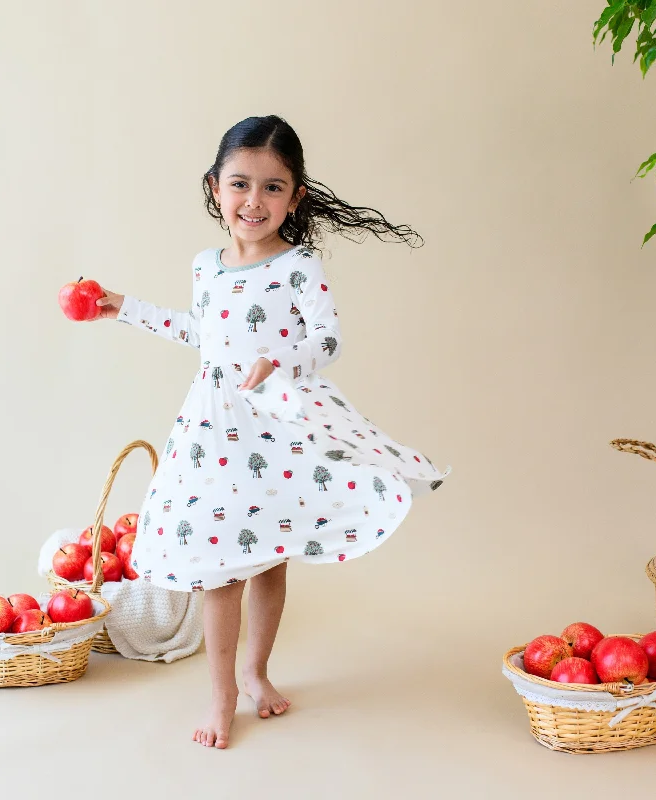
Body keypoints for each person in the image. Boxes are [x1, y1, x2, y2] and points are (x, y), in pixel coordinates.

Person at [91, 115, 451, 748]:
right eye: (239, 184)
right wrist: (125, 309)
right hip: (213, 428)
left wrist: (283, 361)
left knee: (269, 556)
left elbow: (328, 337)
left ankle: (255, 674)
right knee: (221, 569)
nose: (253, 202)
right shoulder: (206, 265)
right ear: (215, 187)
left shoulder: (299, 266)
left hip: (277, 424)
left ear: (296, 195)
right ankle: (221, 694)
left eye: (272, 188)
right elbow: (200, 334)